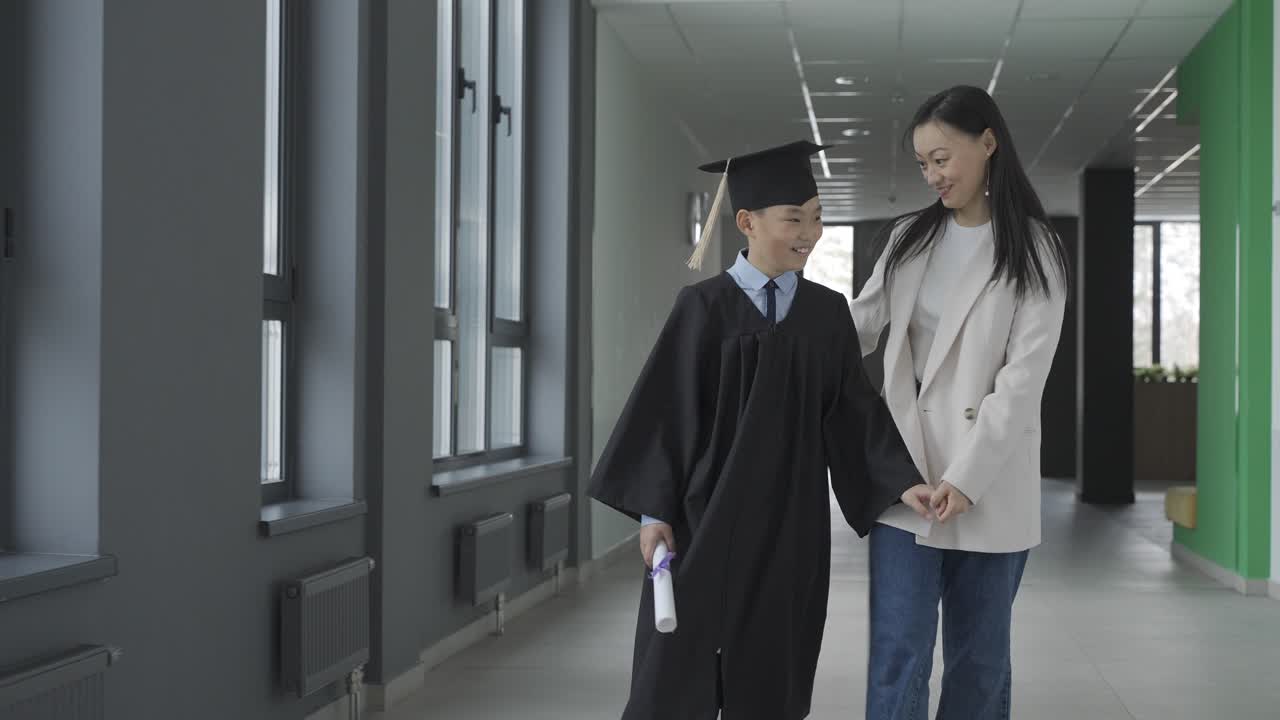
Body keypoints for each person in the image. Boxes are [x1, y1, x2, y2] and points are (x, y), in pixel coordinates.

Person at [589, 140, 931, 720]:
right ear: (747, 222)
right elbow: (665, 414)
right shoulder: (703, 308)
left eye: (817, 217)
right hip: (703, 517)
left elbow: (854, 410)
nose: (809, 232)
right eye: (794, 218)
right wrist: (655, 515)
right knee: (673, 673)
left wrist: (901, 481)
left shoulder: (826, 315)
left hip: (789, 525)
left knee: (774, 669)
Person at [850, 86, 1070, 720]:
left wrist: (968, 479)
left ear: (988, 142)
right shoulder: (907, 239)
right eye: (923, 163)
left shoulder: (1037, 249)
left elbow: (1023, 380)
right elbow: (858, 326)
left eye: (942, 157)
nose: (933, 175)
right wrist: (776, 312)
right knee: (898, 657)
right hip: (907, 481)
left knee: (979, 665)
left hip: (989, 481)